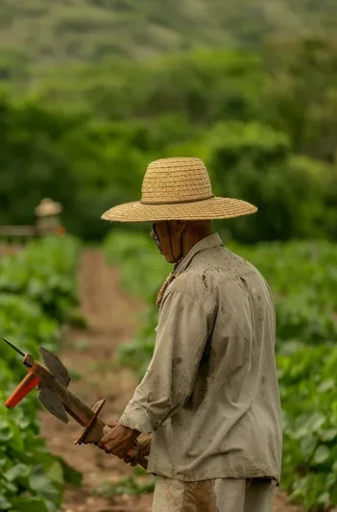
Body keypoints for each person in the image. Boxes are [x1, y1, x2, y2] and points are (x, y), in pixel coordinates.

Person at [97, 157, 283, 511]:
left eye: (156, 225)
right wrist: (161, 441)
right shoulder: (250, 276)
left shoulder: (192, 284)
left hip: (206, 462)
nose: (154, 236)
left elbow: (169, 377)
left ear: (178, 222)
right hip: (257, 453)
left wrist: (129, 428)